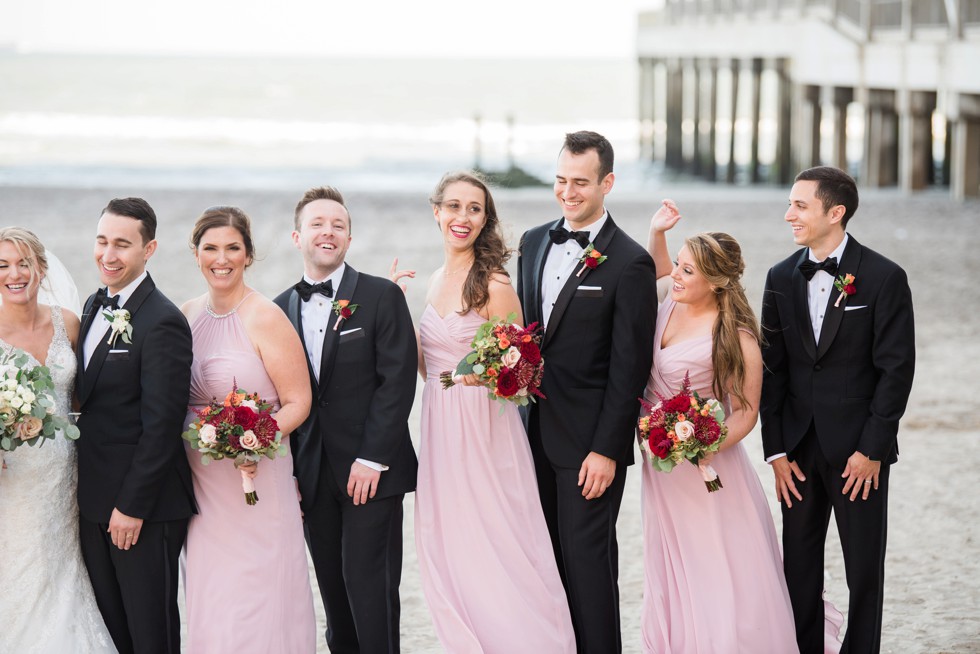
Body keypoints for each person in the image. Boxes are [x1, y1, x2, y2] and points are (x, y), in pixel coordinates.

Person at [413, 171, 575, 652]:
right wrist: (392, 311)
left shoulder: (496, 283)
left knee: (498, 535)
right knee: (452, 539)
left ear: (486, 220)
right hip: (440, 423)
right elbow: (431, 370)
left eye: (475, 209)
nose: (463, 218)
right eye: (455, 206)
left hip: (485, 427)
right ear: (436, 211)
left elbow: (523, 367)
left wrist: (473, 379)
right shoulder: (435, 280)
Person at [760, 166, 915, 654]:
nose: (789, 215)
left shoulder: (885, 277)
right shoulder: (781, 277)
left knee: (863, 571)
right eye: (790, 204)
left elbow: (896, 372)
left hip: (858, 455)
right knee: (798, 568)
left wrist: (872, 449)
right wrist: (776, 450)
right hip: (798, 452)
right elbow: (773, 371)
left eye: (800, 206)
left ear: (836, 212)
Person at [516, 131, 656, 652]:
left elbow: (630, 368)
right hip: (531, 433)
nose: (567, 192)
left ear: (607, 184)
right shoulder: (532, 242)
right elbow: (528, 336)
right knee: (547, 561)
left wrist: (606, 449)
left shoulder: (630, 262)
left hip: (589, 445)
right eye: (560, 180)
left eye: (580, 182)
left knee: (589, 562)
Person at [641, 202, 800, 652]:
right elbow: (656, 274)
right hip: (662, 465)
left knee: (717, 562)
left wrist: (704, 446)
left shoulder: (735, 336)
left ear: (716, 281)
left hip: (707, 469)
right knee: (674, 562)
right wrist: (658, 232)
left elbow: (746, 413)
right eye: (679, 265)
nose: (677, 275)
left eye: (688, 271)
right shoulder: (669, 301)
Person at [273, 187, 417, 653]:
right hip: (312, 476)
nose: (327, 231)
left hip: (371, 473)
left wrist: (372, 459)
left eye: (337, 225)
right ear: (298, 236)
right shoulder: (279, 309)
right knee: (334, 597)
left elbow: (396, 383)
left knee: (372, 593)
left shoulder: (381, 296)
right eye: (317, 224)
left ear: (349, 238)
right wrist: (289, 472)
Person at [181, 206, 315, 653]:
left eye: (232, 248)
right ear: (196, 254)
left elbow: (298, 401)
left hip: (255, 478)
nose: (222, 259)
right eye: (211, 248)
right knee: (211, 589)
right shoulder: (185, 316)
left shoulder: (265, 317)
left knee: (259, 587)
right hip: (202, 486)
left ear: (248, 254)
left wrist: (254, 436)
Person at [76, 198, 197, 654]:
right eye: (102, 241)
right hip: (93, 504)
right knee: (113, 632)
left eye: (122, 245)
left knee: (151, 635)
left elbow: (163, 425)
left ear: (149, 250)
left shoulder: (163, 320)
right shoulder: (93, 305)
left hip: (143, 508)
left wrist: (132, 507)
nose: (108, 254)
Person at [0, 227, 115, 653]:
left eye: (24, 263)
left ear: (41, 269)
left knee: (65, 570)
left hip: (67, 479)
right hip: (14, 483)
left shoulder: (67, 323)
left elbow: (91, 395)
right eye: (3, 265)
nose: (15, 273)